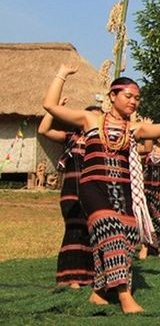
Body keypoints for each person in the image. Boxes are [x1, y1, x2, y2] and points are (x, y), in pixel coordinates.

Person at [43, 63, 160, 314]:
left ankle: (99, 292)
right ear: (112, 96)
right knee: (111, 232)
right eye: (128, 96)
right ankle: (124, 295)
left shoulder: (134, 128)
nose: (133, 102)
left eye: (137, 98)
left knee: (127, 236)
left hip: (123, 190)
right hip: (93, 187)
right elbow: (50, 107)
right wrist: (61, 74)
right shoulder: (91, 119)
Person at [38, 96, 99, 289]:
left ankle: (90, 275)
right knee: (74, 229)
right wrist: (54, 110)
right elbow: (44, 130)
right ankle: (71, 278)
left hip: (94, 192)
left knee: (92, 231)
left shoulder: (102, 143)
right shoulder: (70, 138)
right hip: (71, 192)